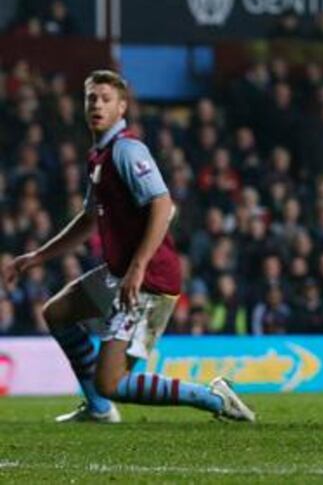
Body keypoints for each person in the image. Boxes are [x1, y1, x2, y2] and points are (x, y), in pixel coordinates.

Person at [2, 70, 255, 423]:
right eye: (92, 98)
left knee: (112, 381)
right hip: (122, 273)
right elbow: (89, 218)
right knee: (57, 312)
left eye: (106, 99)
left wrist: (137, 269)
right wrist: (37, 256)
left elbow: (163, 205)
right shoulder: (99, 156)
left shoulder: (127, 150)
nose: (97, 105)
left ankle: (214, 398)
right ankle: (99, 409)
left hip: (149, 279)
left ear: (122, 107)